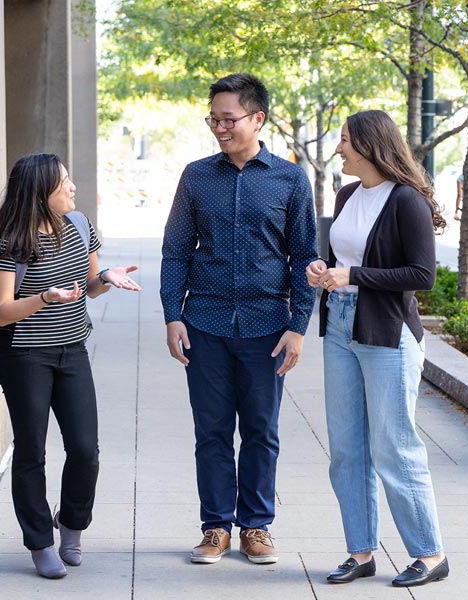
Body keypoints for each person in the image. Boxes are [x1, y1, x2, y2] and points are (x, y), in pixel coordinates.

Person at [160, 73, 317, 565]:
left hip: (267, 326)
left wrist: (298, 326)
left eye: (228, 119)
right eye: (214, 119)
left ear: (257, 118)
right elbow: (176, 251)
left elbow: (304, 256)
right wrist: (172, 315)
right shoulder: (196, 175)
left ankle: (256, 526)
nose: (219, 128)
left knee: (260, 431)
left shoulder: (290, 178)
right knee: (210, 431)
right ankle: (214, 527)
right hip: (204, 322)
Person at [0, 153, 141, 579]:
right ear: (39, 192)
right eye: (64, 182)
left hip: (72, 350)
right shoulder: (7, 243)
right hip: (23, 356)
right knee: (31, 450)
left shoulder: (80, 226)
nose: (72, 187)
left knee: (85, 450)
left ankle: (71, 526)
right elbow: (1, 312)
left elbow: (88, 287)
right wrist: (45, 298)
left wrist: (108, 278)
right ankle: (39, 543)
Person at [305, 110, 449, 588]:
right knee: (347, 448)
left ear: (368, 145)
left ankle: (429, 554)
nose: (339, 149)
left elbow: (421, 276)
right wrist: (324, 269)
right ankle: (361, 551)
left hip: (388, 332)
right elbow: (343, 256)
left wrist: (353, 276)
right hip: (341, 327)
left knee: (394, 446)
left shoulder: (407, 200)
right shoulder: (347, 194)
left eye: (344, 140)